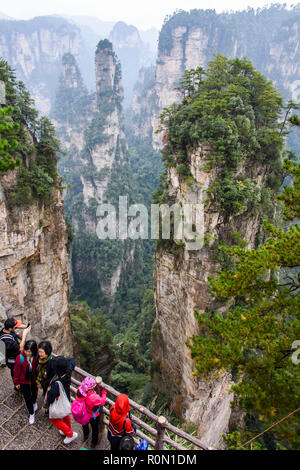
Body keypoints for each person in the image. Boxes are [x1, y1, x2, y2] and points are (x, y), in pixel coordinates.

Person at [46, 356, 78, 445]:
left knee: (53, 419)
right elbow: (72, 360)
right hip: (66, 398)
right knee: (65, 414)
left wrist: (49, 391)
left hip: (60, 398)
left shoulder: (57, 383)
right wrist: (62, 361)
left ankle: (70, 434)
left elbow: (50, 397)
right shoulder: (68, 371)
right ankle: (67, 430)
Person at [75, 376, 107, 448]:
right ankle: (93, 443)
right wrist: (104, 392)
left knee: (84, 424)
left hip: (84, 412)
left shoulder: (79, 391)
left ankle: (86, 435)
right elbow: (102, 401)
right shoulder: (93, 397)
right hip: (92, 416)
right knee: (95, 429)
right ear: (91, 388)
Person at [0, 318, 31, 390]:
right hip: (12, 360)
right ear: (10, 328)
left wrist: (25, 326)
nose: (16, 327)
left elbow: (17, 326)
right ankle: (17, 387)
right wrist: (24, 334)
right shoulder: (7, 341)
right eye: (15, 326)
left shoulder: (5, 330)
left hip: (16, 357)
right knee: (16, 372)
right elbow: (20, 348)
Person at [13, 339, 38, 424]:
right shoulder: (20, 358)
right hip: (24, 381)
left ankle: (34, 402)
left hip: (34, 380)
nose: (28, 353)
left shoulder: (36, 356)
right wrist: (17, 382)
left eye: (30, 352)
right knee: (27, 397)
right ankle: (31, 413)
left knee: (34, 393)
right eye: (26, 351)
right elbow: (16, 371)